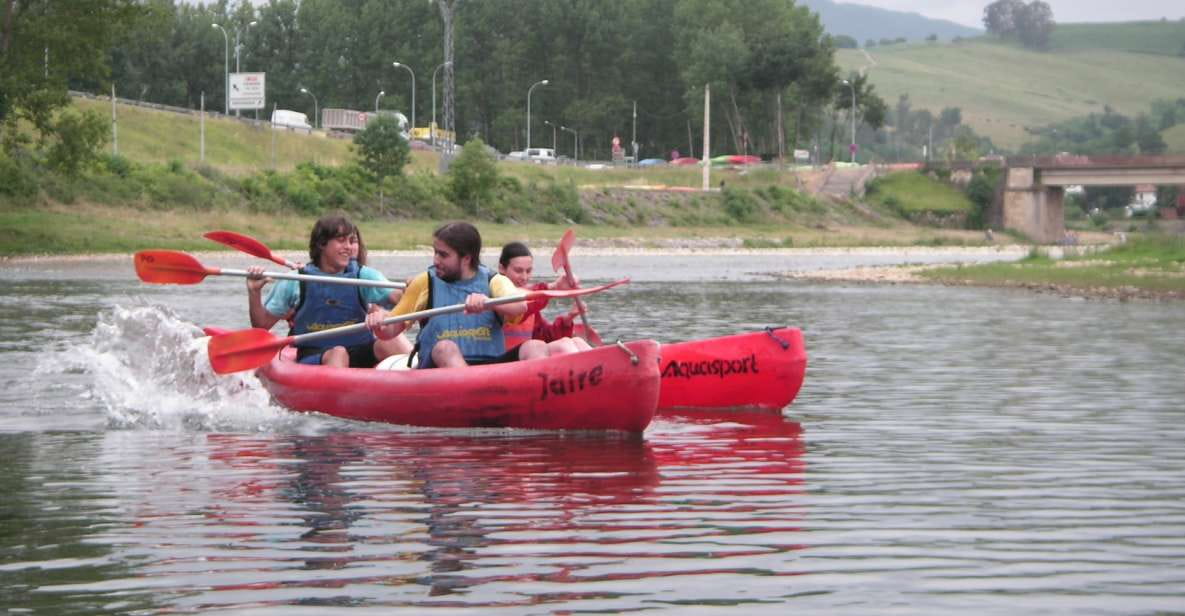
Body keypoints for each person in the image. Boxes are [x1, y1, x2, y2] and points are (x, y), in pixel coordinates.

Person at [365, 222, 551, 369]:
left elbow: (520, 307)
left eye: (443, 255)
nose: (436, 260)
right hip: (437, 368)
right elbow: (390, 331)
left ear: (466, 258)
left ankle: (540, 397)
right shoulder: (424, 283)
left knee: (536, 346)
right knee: (445, 347)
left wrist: (489, 303)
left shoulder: (494, 281)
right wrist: (379, 323)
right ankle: (474, 394)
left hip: (489, 367)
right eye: (435, 253)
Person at [246, 214, 412, 368]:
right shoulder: (295, 281)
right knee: (338, 353)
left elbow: (398, 297)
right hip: (315, 354)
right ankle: (343, 390)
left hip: (360, 349)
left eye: (351, 241)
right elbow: (262, 325)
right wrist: (254, 293)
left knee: (391, 342)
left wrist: (413, 289)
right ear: (321, 244)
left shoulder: (364, 276)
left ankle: (419, 380)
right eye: (341, 240)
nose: (349, 247)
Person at [498, 241, 592, 355]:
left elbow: (545, 336)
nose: (524, 277)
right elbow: (521, 305)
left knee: (576, 341)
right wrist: (553, 287)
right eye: (518, 271)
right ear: (502, 268)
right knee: (545, 346)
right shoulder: (495, 296)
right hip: (501, 360)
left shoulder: (531, 302)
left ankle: (598, 362)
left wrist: (568, 319)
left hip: (525, 358)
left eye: (528, 271)